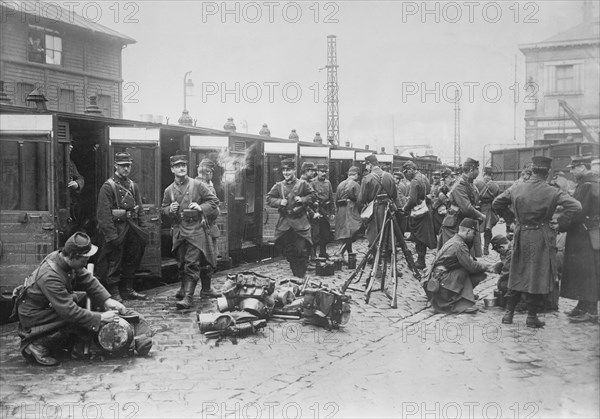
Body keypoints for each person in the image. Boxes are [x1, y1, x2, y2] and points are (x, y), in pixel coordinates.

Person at [14, 232, 152, 366]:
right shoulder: (50, 276)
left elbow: (87, 279)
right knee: (74, 322)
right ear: (73, 256)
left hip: (47, 306)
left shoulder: (64, 259)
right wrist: (100, 317)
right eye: (84, 259)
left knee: (85, 303)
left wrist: (107, 300)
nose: (87, 262)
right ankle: (37, 345)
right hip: (35, 315)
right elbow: (69, 312)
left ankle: (96, 338)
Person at [493, 156, 582, 328]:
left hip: (521, 235)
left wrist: (511, 218)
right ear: (547, 172)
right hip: (541, 237)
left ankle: (508, 314)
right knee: (536, 275)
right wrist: (561, 220)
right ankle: (531, 317)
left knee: (517, 272)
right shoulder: (552, 191)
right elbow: (576, 206)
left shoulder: (516, 187)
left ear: (533, 170)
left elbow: (497, 203)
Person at [162, 154, 221, 309]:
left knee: (191, 263)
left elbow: (214, 202)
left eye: (184, 165)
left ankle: (188, 297)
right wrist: (170, 209)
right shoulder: (169, 190)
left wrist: (201, 207)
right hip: (179, 231)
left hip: (196, 230)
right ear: (172, 169)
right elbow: (163, 208)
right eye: (178, 166)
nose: (181, 168)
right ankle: (184, 289)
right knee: (181, 263)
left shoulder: (197, 185)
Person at [96, 152, 149, 302]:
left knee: (132, 258)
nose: (126, 168)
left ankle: (128, 289)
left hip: (132, 228)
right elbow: (103, 215)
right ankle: (114, 292)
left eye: (128, 165)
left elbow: (140, 209)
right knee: (114, 260)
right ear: (115, 166)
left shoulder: (133, 185)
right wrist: (112, 236)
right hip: (117, 229)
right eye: (122, 166)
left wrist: (143, 228)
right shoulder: (108, 186)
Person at [559, 155, 600, 323]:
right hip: (590, 233)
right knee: (587, 271)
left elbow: (577, 211)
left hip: (582, 235)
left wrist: (560, 224)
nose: (571, 171)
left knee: (587, 273)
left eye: (574, 168)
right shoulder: (594, 183)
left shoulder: (586, 186)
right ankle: (582, 305)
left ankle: (591, 311)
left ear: (583, 167)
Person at [425, 218, 492, 314]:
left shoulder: (454, 240)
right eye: (473, 233)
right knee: (472, 273)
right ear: (468, 231)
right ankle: (456, 301)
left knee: (464, 271)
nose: (474, 236)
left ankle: (461, 295)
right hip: (441, 280)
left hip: (437, 277)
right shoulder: (459, 245)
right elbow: (471, 266)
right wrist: (488, 267)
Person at [266, 158, 317, 278]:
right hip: (285, 225)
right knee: (291, 252)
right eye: (283, 170)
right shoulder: (279, 186)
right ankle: (296, 277)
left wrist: (303, 199)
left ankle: (301, 275)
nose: (285, 173)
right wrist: (279, 202)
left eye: (288, 170)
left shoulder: (302, 184)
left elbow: (313, 196)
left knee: (303, 251)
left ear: (294, 170)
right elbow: (269, 199)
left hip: (300, 224)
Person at [438, 157, 485, 257]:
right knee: (453, 253)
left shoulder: (469, 183)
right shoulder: (460, 185)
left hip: (463, 221)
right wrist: (480, 216)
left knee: (465, 252)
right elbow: (467, 207)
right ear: (472, 170)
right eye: (477, 169)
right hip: (455, 224)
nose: (478, 172)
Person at [401, 161, 437, 270]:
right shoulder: (424, 178)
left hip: (418, 212)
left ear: (411, 169)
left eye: (406, 172)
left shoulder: (414, 181)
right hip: (426, 209)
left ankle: (421, 261)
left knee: (419, 237)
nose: (406, 175)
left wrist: (405, 209)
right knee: (423, 236)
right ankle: (421, 259)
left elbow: (412, 200)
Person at [358, 154, 397, 246]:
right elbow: (394, 195)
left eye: (366, 165)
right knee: (388, 230)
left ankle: (375, 253)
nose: (366, 167)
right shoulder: (389, 176)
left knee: (374, 233)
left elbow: (362, 199)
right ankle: (387, 250)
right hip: (388, 209)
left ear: (370, 164)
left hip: (374, 210)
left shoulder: (367, 178)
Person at [334, 166, 362, 257]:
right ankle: (340, 252)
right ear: (356, 175)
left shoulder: (340, 184)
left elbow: (336, 199)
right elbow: (359, 200)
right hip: (351, 209)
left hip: (341, 210)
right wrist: (361, 211)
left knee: (346, 233)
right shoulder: (355, 185)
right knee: (353, 231)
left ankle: (349, 252)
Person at [310, 164, 334, 258]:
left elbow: (331, 197)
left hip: (325, 211)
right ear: (317, 172)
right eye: (322, 171)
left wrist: (332, 212)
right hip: (316, 210)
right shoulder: (312, 183)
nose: (324, 173)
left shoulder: (328, 183)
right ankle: (313, 255)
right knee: (315, 233)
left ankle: (323, 252)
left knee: (325, 233)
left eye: (325, 172)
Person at [475, 166, 500, 255]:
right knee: (484, 229)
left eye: (488, 175)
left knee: (482, 229)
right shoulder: (494, 185)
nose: (486, 176)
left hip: (484, 208)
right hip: (485, 208)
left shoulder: (479, 183)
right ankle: (482, 248)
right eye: (486, 174)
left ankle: (481, 249)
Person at [66, 137, 85, 235]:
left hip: (70, 202)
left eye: (72, 144)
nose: (71, 146)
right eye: (68, 144)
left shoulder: (70, 163)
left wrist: (77, 184)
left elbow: (80, 178)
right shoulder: (51, 160)